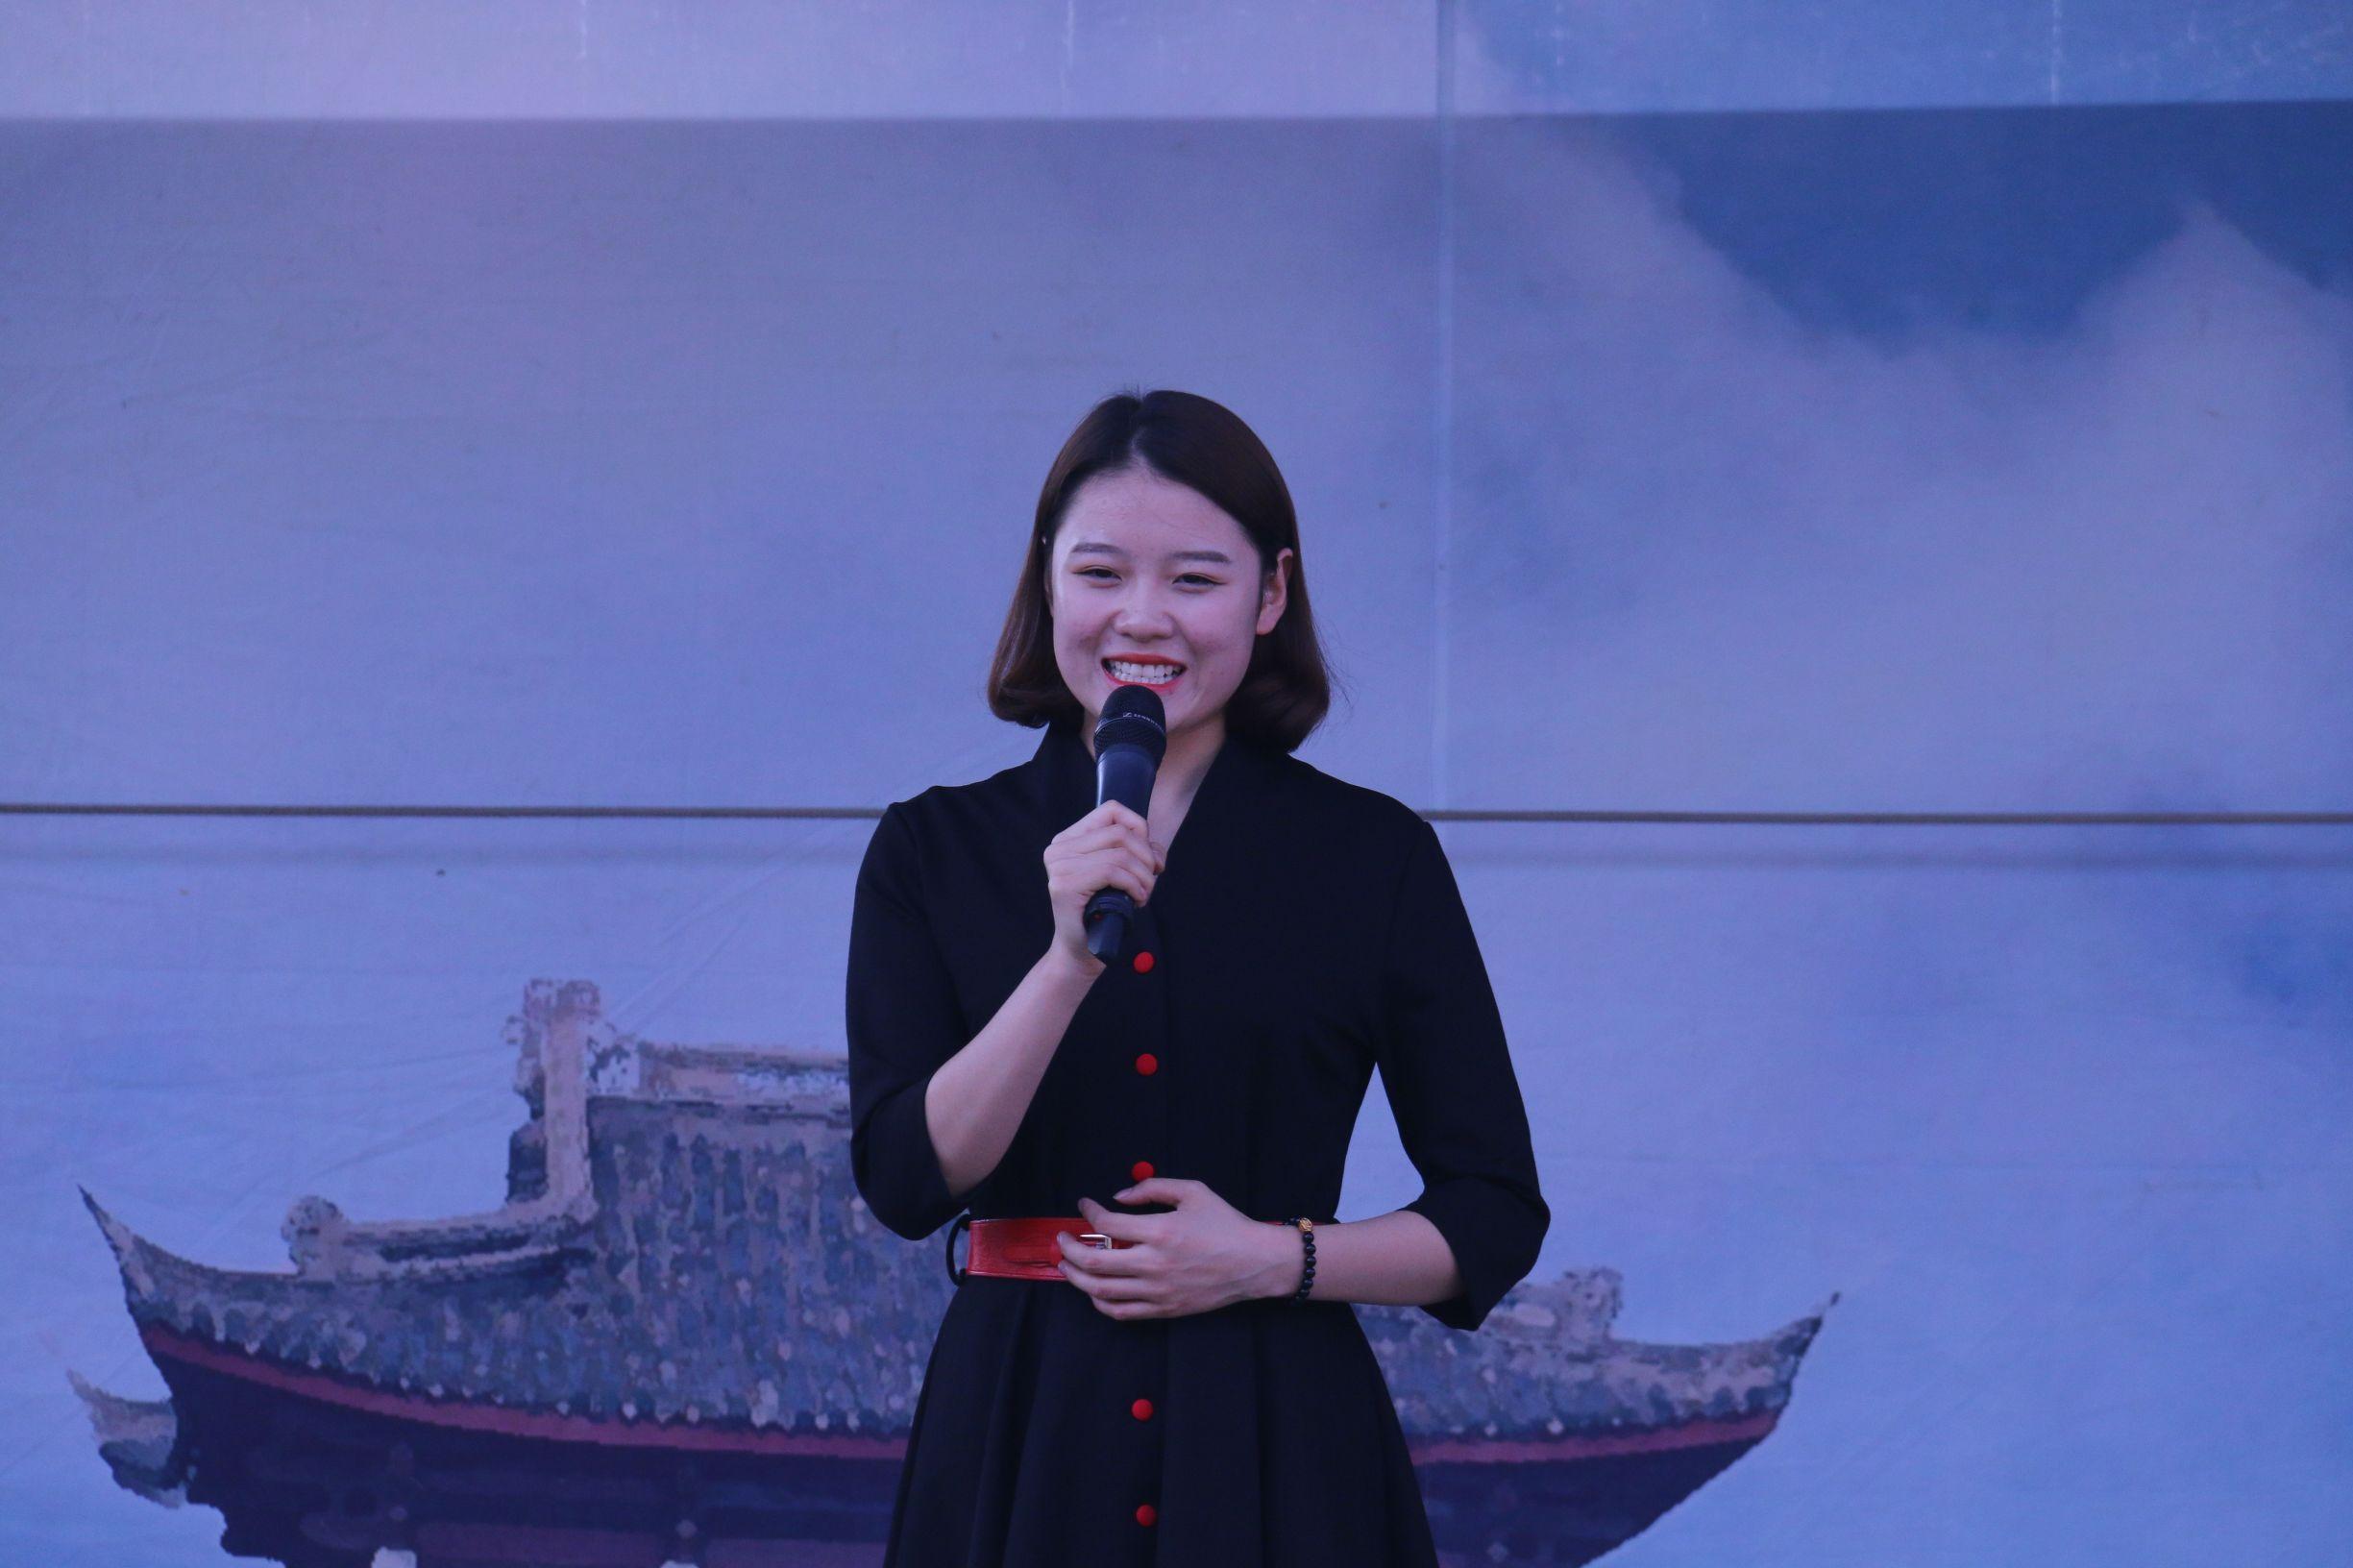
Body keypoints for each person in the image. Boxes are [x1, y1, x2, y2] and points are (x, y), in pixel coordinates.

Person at [846, 388, 1549, 1567]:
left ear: (1270, 594)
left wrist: (1271, 1259)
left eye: (1194, 580)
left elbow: (1492, 1212)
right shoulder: (933, 848)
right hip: (1020, 1431)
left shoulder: (1371, 855)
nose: (1142, 619)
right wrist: (1064, 961)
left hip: (1281, 1437)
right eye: (1100, 574)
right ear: (1047, 582)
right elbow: (906, 1178)